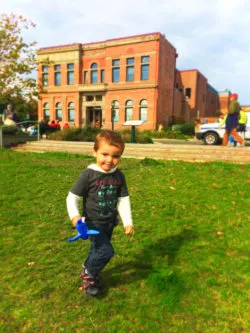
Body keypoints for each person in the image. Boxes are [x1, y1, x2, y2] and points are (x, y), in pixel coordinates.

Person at [66, 130, 134, 296]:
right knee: (106, 251)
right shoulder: (88, 175)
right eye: (104, 154)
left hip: (109, 223)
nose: (110, 160)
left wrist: (128, 222)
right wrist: (75, 218)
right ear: (94, 152)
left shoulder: (119, 176)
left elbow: (123, 199)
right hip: (92, 224)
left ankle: (88, 270)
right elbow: (72, 198)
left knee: (97, 250)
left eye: (116, 156)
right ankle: (89, 274)